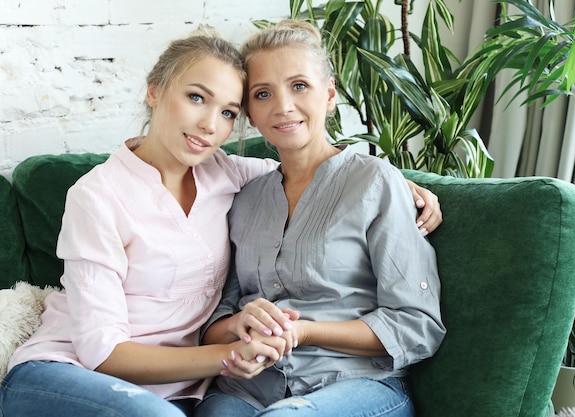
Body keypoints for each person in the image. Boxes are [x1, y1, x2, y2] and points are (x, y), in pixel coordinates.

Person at [0, 28, 441, 417]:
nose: (210, 125)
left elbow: (320, 171)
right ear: (154, 91)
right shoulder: (102, 196)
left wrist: (402, 184)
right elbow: (105, 351)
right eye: (196, 97)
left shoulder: (226, 175)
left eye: (228, 111)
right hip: (77, 372)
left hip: (217, 389)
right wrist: (231, 351)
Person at [199, 19, 447, 417]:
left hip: (356, 384)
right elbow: (215, 322)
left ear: (329, 94)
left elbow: (415, 324)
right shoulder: (244, 198)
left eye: (299, 86)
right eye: (263, 94)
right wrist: (240, 325)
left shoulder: (375, 182)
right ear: (249, 111)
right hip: (248, 388)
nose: (282, 106)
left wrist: (304, 331)